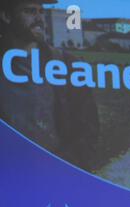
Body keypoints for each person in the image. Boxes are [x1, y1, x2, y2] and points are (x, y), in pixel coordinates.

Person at [0, 0, 99, 170]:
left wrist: (62, 169)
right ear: (7, 16)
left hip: (53, 173)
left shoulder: (67, 64)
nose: (39, 18)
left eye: (41, 11)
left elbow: (88, 129)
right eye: (30, 11)